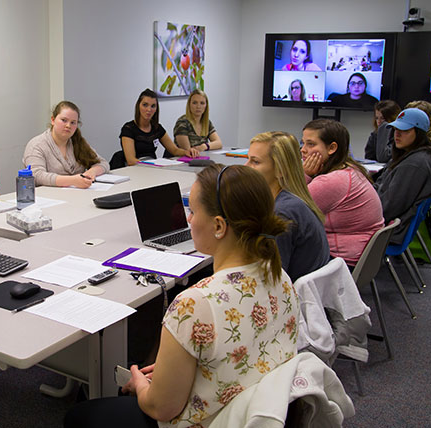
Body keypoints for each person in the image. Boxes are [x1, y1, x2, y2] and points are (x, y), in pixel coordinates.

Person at [64, 164, 298, 428]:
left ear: (219, 226)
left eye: (193, 211)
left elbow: (160, 408)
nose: (188, 220)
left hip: (209, 419)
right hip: (254, 405)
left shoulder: (195, 304)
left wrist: (141, 385)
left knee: (80, 416)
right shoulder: (280, 276)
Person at [246, 131, 330, 281]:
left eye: (255, 162)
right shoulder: (293, 201)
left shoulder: (282, 214)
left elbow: (272, 281)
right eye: (248, 160)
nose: (246, 167)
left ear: (280, 170)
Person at [301, 119, 384, 266]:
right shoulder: (350, 169)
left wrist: (305, 174)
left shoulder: (333, 180)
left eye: (311, 144)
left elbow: (287, 210)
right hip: (358, 254)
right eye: (303, 143)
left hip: (340, 261)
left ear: (332, 148)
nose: (303, 149)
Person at [374, 108, 431, 244]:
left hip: (387, 229)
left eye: (405, 131)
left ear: (419, 134)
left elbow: (389, 208)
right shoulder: (409, 155)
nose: (397, 134)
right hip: (384, 218)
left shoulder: (413, 165)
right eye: (395, 129)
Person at [23, 100, 110, 188]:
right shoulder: (36, 145)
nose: (68, 125)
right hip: (50, 196)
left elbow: (103, 163)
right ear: (53, 120)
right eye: (64, 120)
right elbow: (36, 176)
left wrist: (92, 172)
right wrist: (72, 181)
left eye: (73, 122)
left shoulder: (77, 141)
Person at [119, 89, 198, 166]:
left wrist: (186, 152)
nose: (149, 109)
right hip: (136, 170)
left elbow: (174, 150)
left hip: (153, 169)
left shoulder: (157, 128)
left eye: (153, 106)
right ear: (138, 106)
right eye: (145, 105)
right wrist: (152, 164)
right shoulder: (129, 129)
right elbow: (131, 161)